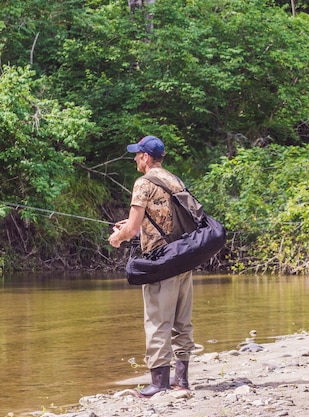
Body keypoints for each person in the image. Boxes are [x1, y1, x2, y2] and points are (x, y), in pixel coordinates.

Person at [108, 135, 195, 397]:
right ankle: (181, 380)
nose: (135, 158)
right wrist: (133, 225)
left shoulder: (143, 183)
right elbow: (164, 217)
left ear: (146, 157)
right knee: (182, 322)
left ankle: (158, 383)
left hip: (161, 261)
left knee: (158, 322)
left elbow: (133, 229)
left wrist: (118, 237)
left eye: (137, 154)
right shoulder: (173, 179)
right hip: (183, 258)